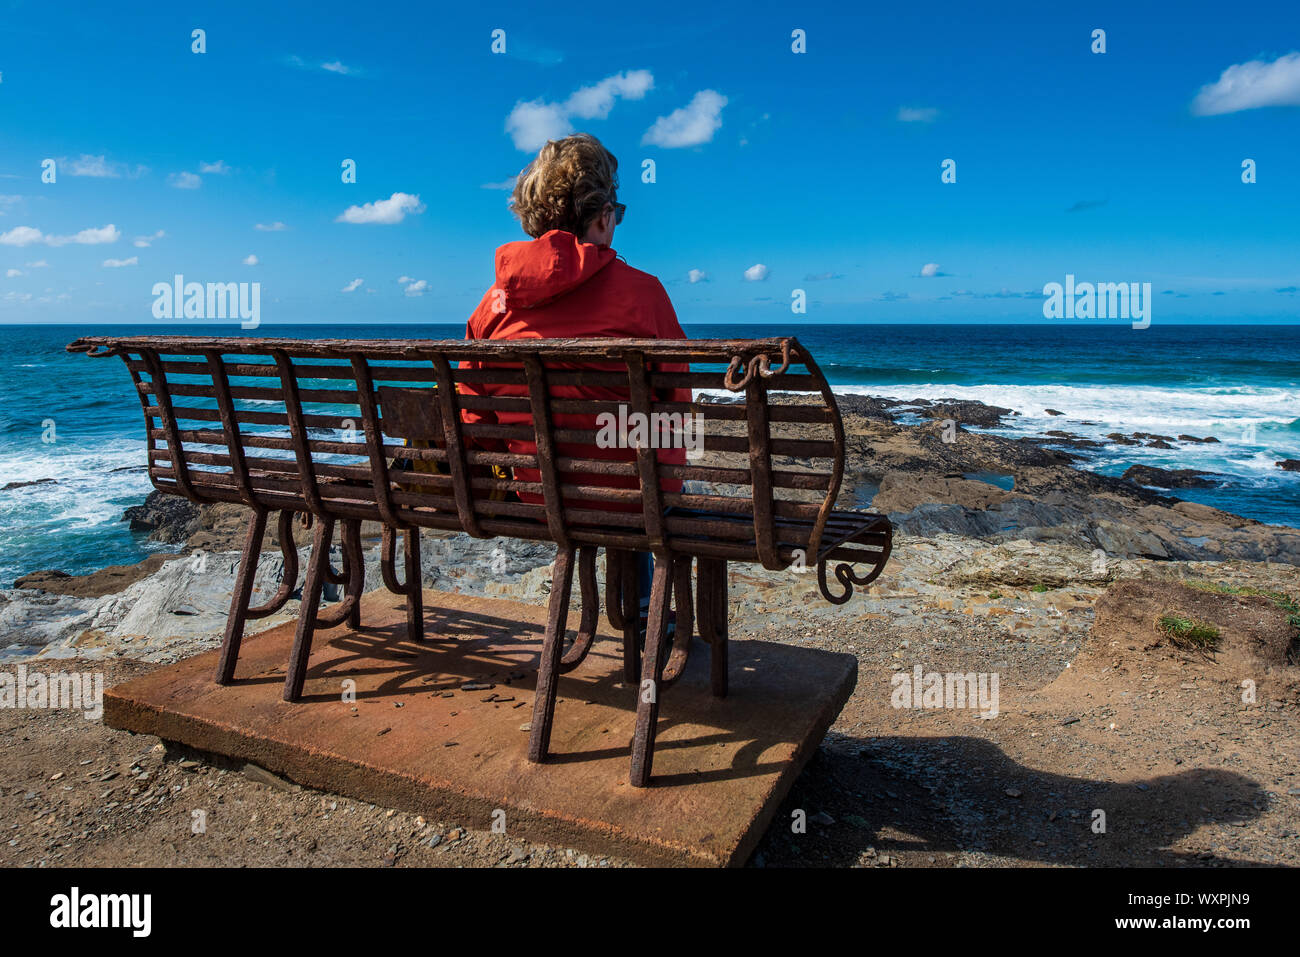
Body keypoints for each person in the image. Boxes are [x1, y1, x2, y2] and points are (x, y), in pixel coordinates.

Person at [458, 133, 690, 631]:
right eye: (617, 212)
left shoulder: (492, 307)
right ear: (604, 214)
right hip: (635, 494)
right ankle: (648, 616)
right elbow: (677, 399)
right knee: (644, 470)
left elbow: (474, 414)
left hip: (541, 493)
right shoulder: (644, 294)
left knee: (627, 473)